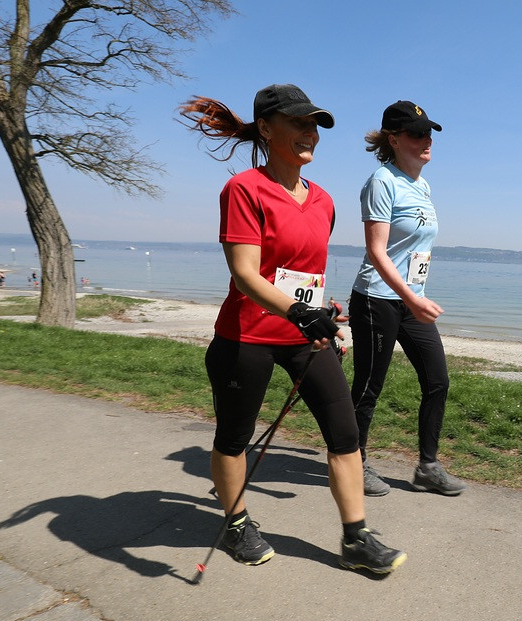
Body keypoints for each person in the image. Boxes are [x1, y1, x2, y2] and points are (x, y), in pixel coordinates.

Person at [178, 84, 406, 574]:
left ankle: (356, 537)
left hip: (305, 336)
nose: (310, 134)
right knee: (234, 437)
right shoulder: (244, 189)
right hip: (247, 336)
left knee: (345, 435)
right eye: (299, 123)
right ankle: (236, 523)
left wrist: (323, 310)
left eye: (315, 125)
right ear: (266, 128)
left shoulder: (323, 200)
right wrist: (300, 312)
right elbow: (245, 272)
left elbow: (303, 272)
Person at [349, 101, 465, 498]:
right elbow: (377, 252)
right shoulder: (382, 181)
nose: (426, 139)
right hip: (376, 300)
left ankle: (428, 467)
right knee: (368, 386)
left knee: (438, 381)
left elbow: (413, 252)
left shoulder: (422, 185)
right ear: (394, 139)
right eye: (417, 133)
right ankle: (355, 462)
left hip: (409, 299)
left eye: (429, 132)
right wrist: (410, 298)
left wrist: (417, 295)